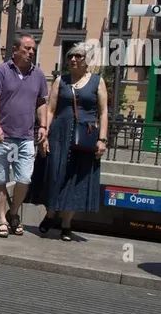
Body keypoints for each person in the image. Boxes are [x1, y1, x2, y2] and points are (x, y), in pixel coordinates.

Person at [36, 43, 108, 240]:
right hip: (59, 134)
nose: (74, 60)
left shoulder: (97, 82)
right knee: (55, 175)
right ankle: (51, 213)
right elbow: (50, 109)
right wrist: (45, 131)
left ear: (87, 60)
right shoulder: (61, 81)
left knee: (77, 181)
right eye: (71, 57)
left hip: (85, 137)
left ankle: (67, 224)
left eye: (78, 56)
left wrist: (102, 139)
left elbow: (103, 112)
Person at [0, 34, 48, 239]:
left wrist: (43, 126)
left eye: (33, 49)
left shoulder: (38, 75)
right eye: (27, 48)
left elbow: (41, 102)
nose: (31, 52)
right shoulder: (1, 71)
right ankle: (2, 220)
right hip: (2, 136)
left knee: (24, 179)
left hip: (26, 137)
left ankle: (13, 212)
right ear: (15, 49)